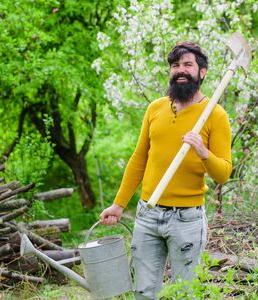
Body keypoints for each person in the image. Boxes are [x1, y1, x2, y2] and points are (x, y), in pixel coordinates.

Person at [99, 41, 232, 299]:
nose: (180, 70)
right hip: (148, 213)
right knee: (144, 292)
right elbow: (139, 159)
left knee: (184, 293)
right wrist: (118, 204)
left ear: (202, 72)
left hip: (187, 220)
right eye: (175, 65)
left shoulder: (215, 115)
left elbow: (224, 174)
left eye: (187, 65)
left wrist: (203, 152)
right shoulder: (155, 108)